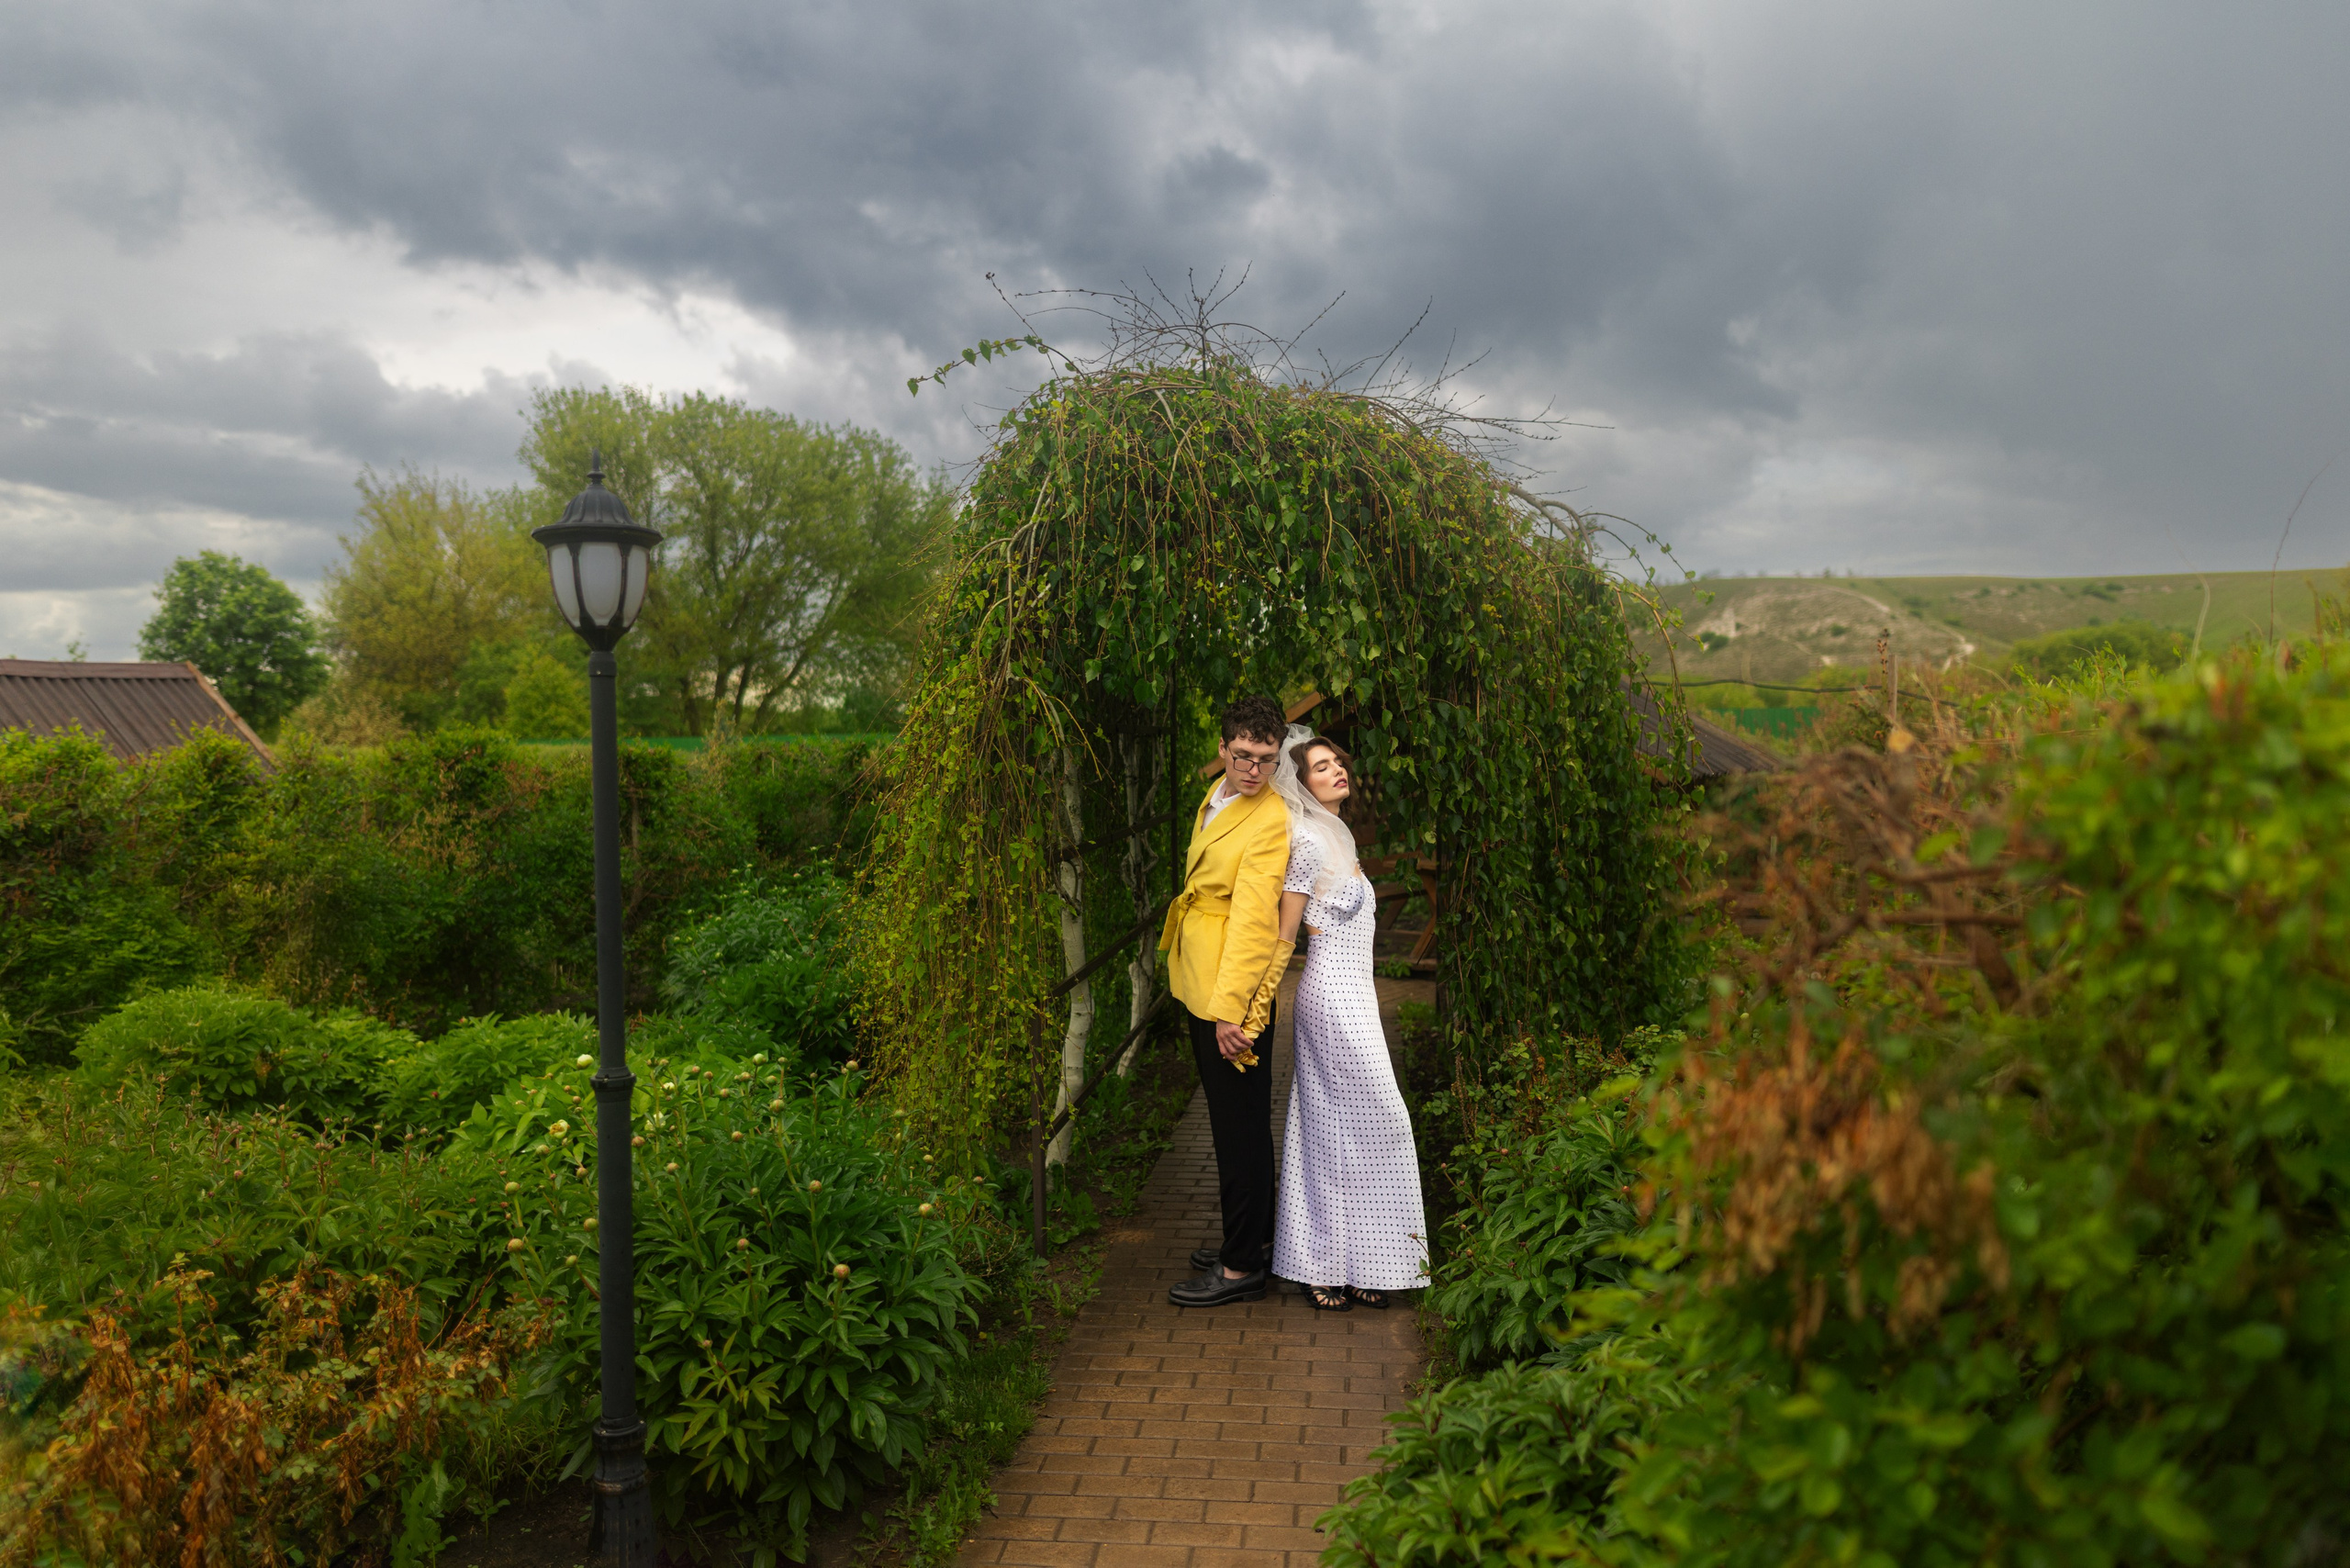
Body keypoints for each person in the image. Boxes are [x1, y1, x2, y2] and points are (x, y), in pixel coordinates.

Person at [1266, 726, 1428, 1311]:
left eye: (1337, 762)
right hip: (1331, 998)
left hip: (1357, 997)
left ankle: (1359, 1263)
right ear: (1301, 784)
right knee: (1371, 1122)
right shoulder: (1308, 839)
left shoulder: (1339, 833)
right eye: (1321, 766)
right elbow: (1288, 928)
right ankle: (1322, 1263)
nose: (1337, 770)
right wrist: (1255, 1003)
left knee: (1349, 1128)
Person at [1159, 695, 1293, 1308]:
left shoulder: (1269, 819)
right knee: (1235, 1120)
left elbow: (1253, 926)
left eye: (1266, 759)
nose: (1253, 770)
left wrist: (1231, 1012)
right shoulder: (1218, 795)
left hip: (1228, 994)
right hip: (1201, 976)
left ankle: (1242, 1268)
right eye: (1242, 756)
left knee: (1238, 1130)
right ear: (1223, 749)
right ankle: (1254, 1238)